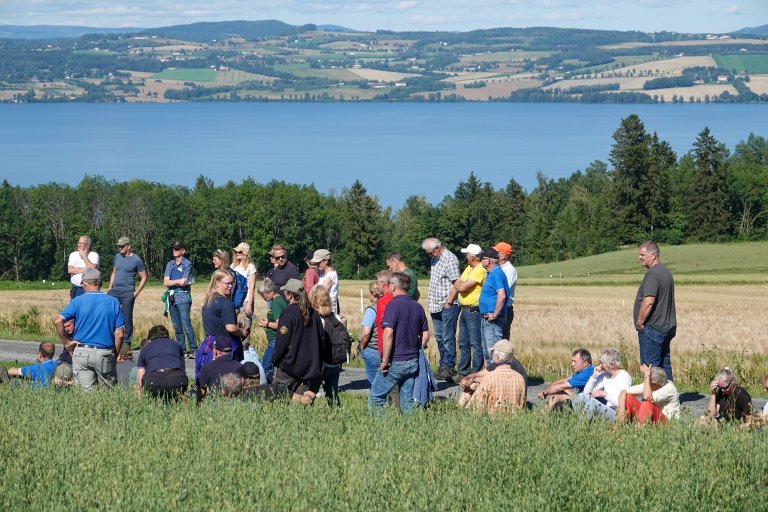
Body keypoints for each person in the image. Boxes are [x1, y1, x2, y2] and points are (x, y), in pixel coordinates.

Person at [369, 271, 430, 415]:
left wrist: (385, 360)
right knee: (407, 398)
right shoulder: (418, 307)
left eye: (389, 284)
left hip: (396, 360)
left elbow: (388, 334)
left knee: (377, 395)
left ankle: (377, 427)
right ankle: (408, 428)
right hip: (412, 360)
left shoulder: (392, 305)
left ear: (394, 287)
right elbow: (426, 336)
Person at [54, 268, 125, 390]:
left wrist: (66, 342)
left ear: (85, 283)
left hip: (82, 352)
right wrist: (115, 353)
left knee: (85, 394)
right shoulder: (113, 302)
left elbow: (58, 321)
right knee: (108, 393)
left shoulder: (77, 301)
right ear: (100, 283)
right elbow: (119, 334)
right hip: (104, 352)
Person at [271, 279, 324, 399]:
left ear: (290, 294)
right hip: (309, 368)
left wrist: (275, 359)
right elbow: (322, 339)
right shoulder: (313, 313)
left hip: (290, 367)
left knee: (280, 399)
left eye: (286, 291)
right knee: (302, 404)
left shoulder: (288, 313)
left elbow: (282, 342)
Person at [634, 241, 676, 381]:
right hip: (666, 326)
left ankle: (651, 400)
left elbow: (649, 301)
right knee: (665, 364)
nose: (640, 257)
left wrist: (640, 322)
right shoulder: (666, 272)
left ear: (653, 255)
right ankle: (669, 397)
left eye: (642, 254)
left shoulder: (653, 274)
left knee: (650, 368)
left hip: (653, 328)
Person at [423, 238, 460, 382]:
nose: (429, 256)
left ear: (438, 248)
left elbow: (456, 283)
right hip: (435, 304)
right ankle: (443, 365)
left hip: (447, 305)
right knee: (439, 337)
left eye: (430, 252)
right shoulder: (435, 258)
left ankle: (449, 367)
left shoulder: (449, 259)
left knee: (448, 337)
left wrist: (449, 302)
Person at [447, 244, 486, 380]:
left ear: (473, 257)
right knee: (463, 342)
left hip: (473, 310)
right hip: (465, 309)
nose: (465, 256)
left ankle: (475, 374)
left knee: (475, 343)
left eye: (467, 254)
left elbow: (462, 287)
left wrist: (459, 286)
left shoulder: (480, 269)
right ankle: (463, 373)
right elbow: (458, 283)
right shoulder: (470, 267)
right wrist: (459, 285)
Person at [458, 339, 526, 415]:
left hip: (493, 416)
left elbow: (477, 404)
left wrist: (468, 409)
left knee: (474, 388)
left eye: (492, 353)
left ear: (497, 357)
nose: (491, 354)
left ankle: (460, 410)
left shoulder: (490, 377)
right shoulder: (520, 378)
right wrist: (472, 379)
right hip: (513, 416)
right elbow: (521, 401)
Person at [107, 236, 147, 358]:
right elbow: (114, 272)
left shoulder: (136, 260)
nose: (120, 248)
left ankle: (126, 343)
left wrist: (136, 293)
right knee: (108, 312)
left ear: (128, 246)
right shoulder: (117, 257)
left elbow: (144, 277)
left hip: (127, 292)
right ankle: (109, 338)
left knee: (127, 317)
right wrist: (110, 288)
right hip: (115, 290)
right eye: (118, 246)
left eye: (122, 246)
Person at [201, 269, 249, 362]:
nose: (230, 286)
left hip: (210, 346)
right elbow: (231, 328)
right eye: (227, 283)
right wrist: (242, 332)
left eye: (232, 283)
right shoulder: (225, 302)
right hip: (225, 348)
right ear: (217, 283)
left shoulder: (208, 300)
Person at [573, 347, 632, 421]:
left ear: (611, 365)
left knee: (592, 403)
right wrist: (594, 375)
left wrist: (604, 394)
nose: (600, 366)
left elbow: (621, 403)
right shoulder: (606, 376)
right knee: (581, 396)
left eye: (602, 363)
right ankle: (579, 419)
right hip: (607, 409)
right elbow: (586, 393)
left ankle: (581, 425)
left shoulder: (624, 376)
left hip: (617, 413)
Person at [134, 325, 187, 401]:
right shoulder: (176, 345)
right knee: (176, 401)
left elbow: (140, 377)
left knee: (152, 403)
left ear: (149, 339)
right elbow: (182, 369)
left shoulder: (146, 348)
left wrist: (138, 399)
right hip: (176, 379)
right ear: (167, 336)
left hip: (154, 379)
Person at [163, 241, 197, 358]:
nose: (174, 251)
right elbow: (166, 282)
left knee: (186, 324)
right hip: (172, 297)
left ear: (183, 251)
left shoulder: (187, 264)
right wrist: (178, 281)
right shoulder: (170, 264)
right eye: (173, 249)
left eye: (177, 249)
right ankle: (181, 349)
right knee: (177, 326)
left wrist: (173, 282)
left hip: (183, 297)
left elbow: (185, 282)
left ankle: (193, 349)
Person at [310, 285, 341, 407]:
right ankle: (336, 415)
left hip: (321, 363)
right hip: (335, 362)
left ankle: (306, 417)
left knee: (310, 392)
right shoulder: (334, 317)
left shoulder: (316, 319)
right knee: (333, 394)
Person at [478, 247, 508, 363]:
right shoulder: (491, 273)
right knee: (488, 352)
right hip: (487, 318)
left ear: (488, 260)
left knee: (494, 353)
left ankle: (495, 379)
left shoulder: (496, 274)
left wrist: (495, 314)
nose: (480, 261)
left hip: (492, 320)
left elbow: (502, 295)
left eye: (482, 258)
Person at [257, 278, 288, 380]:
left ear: (271, 292)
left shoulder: (276, 303)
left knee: (265, 367)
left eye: (264, 294)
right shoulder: (279, 300)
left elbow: (280, 325)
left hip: (275, 340)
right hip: (277, 340)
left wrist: (267, 324)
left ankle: (272, 387)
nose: (263, 297)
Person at [197, 336, 245, 401]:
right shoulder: (240, 366)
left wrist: (198, 407)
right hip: (237, 404)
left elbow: (201, 391)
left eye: (212, 348)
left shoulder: (207, 367)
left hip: (215, 405)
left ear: (215, 351)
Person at [359, 280, 385, 386]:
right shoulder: (388, 305)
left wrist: (362, 346)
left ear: (373, 293)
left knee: (375, 383)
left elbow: (366, 333)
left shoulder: (372, 310)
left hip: (373, 349)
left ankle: (376, 402)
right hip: (386, 349)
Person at [493, 242, 517, 340]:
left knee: (501, 341)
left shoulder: (509, 270)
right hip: (498, 307)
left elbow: (502, 289)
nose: (494, 254)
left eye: (496, 252)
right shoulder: (498, 268)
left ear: (503, 255)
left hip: (504, 309)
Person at [67, 235, 99, 300]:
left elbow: (93, 270)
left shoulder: (94, 255)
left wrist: (84, 256)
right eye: (78, 243)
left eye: (82, 243)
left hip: (90, 289)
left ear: (88, 245)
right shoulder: (73, 254)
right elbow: (70, 270)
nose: (79, 245)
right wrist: (87, 269)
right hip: (76, 288)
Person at [231, 242, 257, 318]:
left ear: (246, 253)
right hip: (234, 299)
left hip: (246, 300)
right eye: (236, 252)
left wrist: (249, 304)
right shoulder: (233, 266)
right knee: (232, 325)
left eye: (240, 252)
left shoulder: (251, 267)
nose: (237, 253)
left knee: (244, 326)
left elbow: (252, 287)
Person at [312, 249, 339, 315]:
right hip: (322, 311)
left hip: (327, 313)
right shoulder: (323, 274)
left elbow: (320, 295)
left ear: (326, 261)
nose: (317, 264)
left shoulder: (331, 276)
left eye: (319, 262)